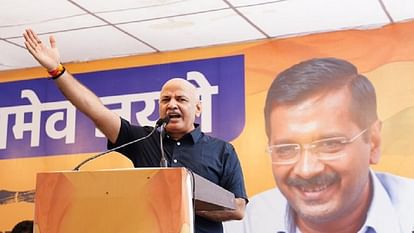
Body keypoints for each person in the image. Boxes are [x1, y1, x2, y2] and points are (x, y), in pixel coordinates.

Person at [23, 29, 247, 233]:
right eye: (165, 100)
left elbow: (237, 208)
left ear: (198, 108)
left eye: (181, 99)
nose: (172, 105)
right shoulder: (144, 139)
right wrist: (57, 70)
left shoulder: (222, 151)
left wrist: (181, 204)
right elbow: (96, 111)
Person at [236, 57, 414, 233]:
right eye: (286, 149)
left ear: (373, 142)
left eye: (329, 144)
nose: (307, 170)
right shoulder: (246, 224)